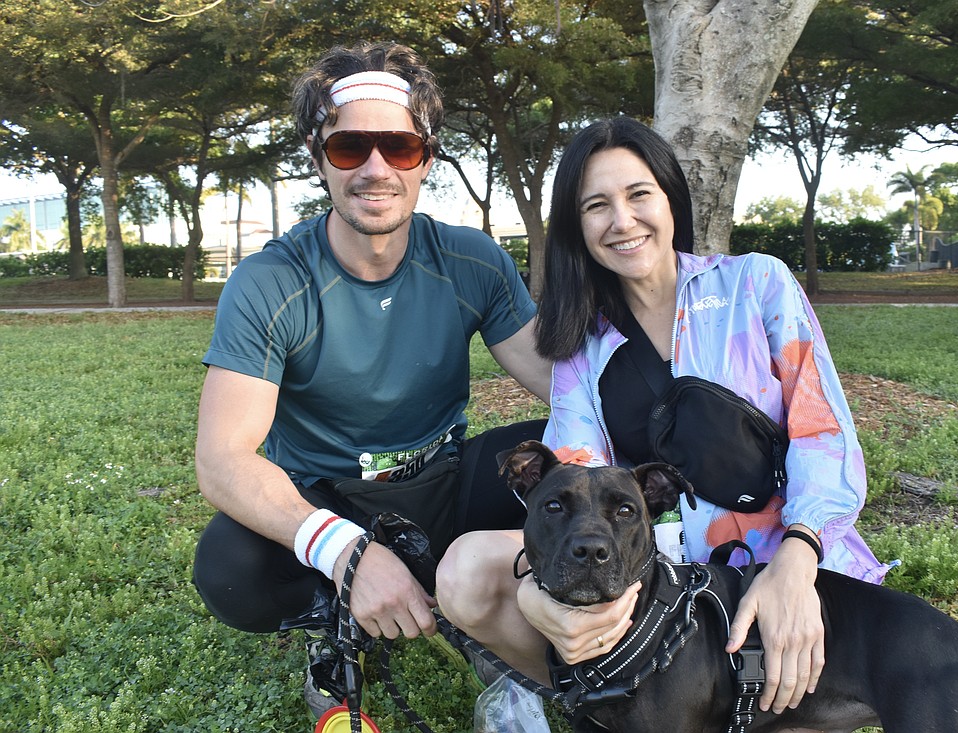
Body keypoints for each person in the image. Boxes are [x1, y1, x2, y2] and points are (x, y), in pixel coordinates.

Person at [436, 117, 893, 726]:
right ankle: (602, 698)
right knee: (468, 569)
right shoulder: (582, 346)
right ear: (578, 228)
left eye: (638, 195)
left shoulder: (755, 285)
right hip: (656, 584)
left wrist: (796, 562)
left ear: (671, 197)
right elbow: (574, 482)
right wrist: (534, 592)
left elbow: (824, 434)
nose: (622, 221)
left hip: (785, 564)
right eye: (596, 206)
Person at [191, 41, 550, 717]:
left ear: (428, 156)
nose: (377, 168)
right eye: (351, 147)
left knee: (564, 447)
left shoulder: (472, 261)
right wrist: (346, 552)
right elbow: (221, 458)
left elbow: (567, 386)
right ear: (317, 154)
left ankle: (494, 597)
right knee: (230, 568)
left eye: (401, 147)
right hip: (325, 497)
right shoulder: (270, 282)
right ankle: (335, 621)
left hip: (443, 486)